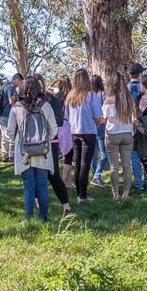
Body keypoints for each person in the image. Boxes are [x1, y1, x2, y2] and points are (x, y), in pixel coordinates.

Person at [7, 77, 59, 222]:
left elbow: (10, 131)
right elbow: (54, 129)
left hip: (24, 150)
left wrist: (19, 140)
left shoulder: (16, 107)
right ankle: (43, 217)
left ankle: (28, 217)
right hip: (42, 150)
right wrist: (44, 139)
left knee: (28, 184)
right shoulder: (46, 106)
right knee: (42, 183)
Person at [33, 74, 72, 215]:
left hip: (50, 141)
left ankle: (66, 205)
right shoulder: (26, 101)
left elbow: (60, 120)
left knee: (53, 174)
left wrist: (45, 121)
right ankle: (38, 203)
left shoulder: (50, 99)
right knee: (35, 173)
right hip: (33, 143)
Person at [65, 68, 104, 203]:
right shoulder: (92, 96)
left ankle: (78, 194)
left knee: (78, 164)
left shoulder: (70, 96)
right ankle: (83, 195)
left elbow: (66, 116)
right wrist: (96, 125)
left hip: (74, 132)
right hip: (88, 132)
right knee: (85, 165)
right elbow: (98, 117)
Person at [104, 72, 136, 199]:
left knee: (114, 167)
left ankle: (115, 193)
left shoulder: (108, 100)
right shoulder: (128, 99)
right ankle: (126, 193)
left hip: (112, 134)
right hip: (127, 134)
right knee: (127, 165)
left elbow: (104, 119)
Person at [127, 63, 147, 191]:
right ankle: (146, 181)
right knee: (145, 153)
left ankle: (138, 183)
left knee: (133, 155)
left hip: (129, 125)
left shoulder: (125, 89)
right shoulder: (144, 88)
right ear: (139, 74)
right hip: (143, 123)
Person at [89, 75, 109, 188]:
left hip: (91, 126)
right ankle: (96, 176)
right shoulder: (104, 95)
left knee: (93, 153)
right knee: (104, 154)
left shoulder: (89, 96)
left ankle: (95, 175)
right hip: (101, 125)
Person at [0, 73, 23, 163]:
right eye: (20, 82)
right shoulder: (11, 87)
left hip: (1, 114)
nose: (20, 85)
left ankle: (4, 156)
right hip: (7, 114)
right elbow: (11, 101)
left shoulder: (4, 85)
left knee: (4, 136)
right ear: (17, 79)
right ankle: (11, 155)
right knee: (10, 135)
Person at [56, 75, 75, 189]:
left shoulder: (55, 97)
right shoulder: (71, 97)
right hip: (68, 127)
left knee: (63, 155)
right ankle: (64, 182)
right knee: (68, 156)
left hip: (57, 127)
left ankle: (68, 181)